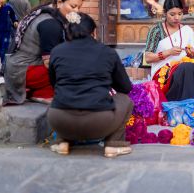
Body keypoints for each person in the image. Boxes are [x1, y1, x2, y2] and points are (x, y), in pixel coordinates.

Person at [48, 12, 133, 158]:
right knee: (125, 100)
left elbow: (54, 84)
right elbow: (125, 88)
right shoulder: (108, 52)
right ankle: (113, 144)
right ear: (93, 32)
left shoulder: (56, 51)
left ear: (68, 31)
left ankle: (62, 141)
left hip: (60, 120)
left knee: (59, 97)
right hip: (99, 123)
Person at [3, 0, 84, 105]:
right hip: (24, 71)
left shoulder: (47, 13)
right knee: (76, 67)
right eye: (73, 6)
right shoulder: (50, 24)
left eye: (79, 7)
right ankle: (41, 91)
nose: (76, 11)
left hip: (17, 68)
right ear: (59, 2)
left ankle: (40, 93)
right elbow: (50, 63)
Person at [145, 0, 194, 105]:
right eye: (172, 14)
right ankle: (188, 105)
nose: (177, 18)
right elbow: (147, 57)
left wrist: (192, 54)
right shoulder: (156, 31)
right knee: (185, 68)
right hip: (163, 73)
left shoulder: (187, 30)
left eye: (180, 14)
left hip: (185, 68)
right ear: (165, 13)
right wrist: (168, 53)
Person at [0, 0, 18, 75]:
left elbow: (13, 16)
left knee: (4, 50)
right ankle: (4, 66)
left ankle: (4, 68)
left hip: (6, 33)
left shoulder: (8, 7)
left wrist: (15, 21)